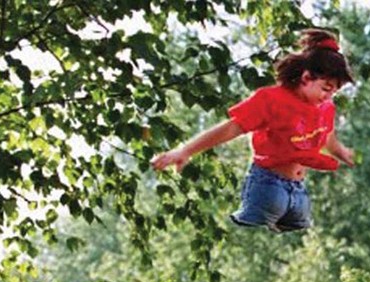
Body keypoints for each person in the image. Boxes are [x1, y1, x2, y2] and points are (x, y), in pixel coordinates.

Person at [150, 28, 355, 233]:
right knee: (251, 231)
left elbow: (326, 135)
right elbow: (231, 128)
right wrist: (185, 151)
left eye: (334, 92)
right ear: (306, 77)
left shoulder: (325, 107)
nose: (328, 97)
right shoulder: (272, 100)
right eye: (326, 88)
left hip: (298, 190)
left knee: (298, 231)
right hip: (268, 186)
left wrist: (342, 152)